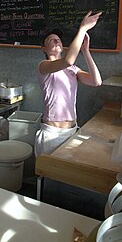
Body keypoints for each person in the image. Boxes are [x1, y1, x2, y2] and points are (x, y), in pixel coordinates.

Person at [35, 10, 102, 157]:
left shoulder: (72, 69)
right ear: (44, 49)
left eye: (58, 39)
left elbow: (96, 81)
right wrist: (82, 28)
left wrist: (86, 51)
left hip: (72, 130)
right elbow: (67, 60)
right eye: (52, 40)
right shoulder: (43, 66)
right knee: (48, 176)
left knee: (66, 176)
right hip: (52, 133)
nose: (57, 40)